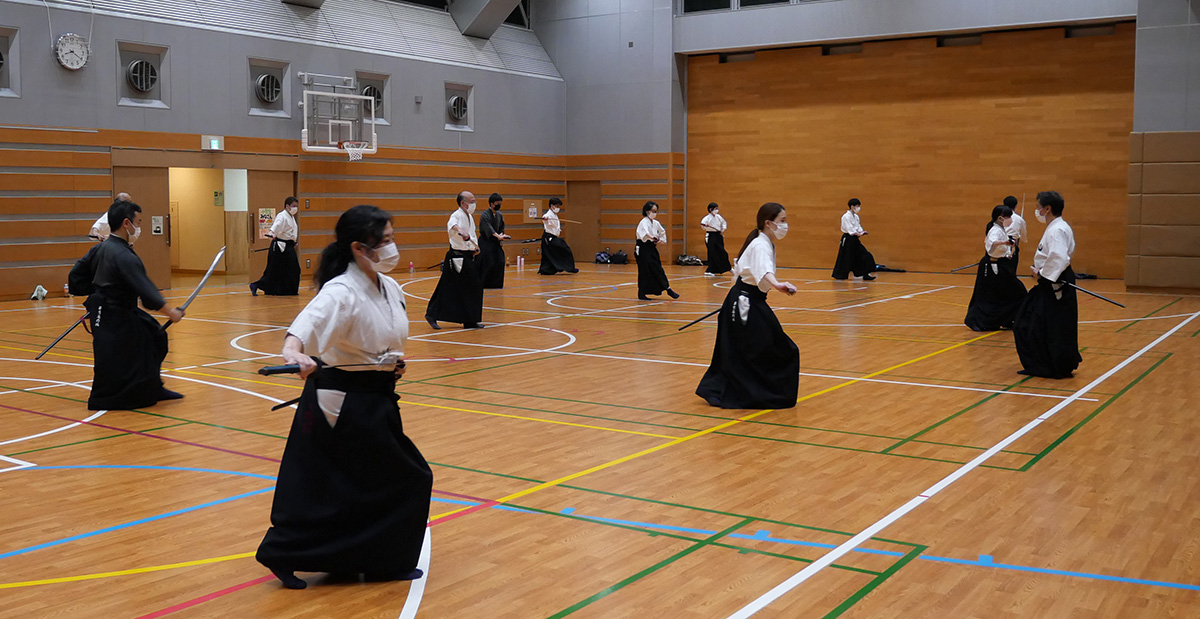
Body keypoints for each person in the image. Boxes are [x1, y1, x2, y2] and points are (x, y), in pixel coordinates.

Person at [256, 205, 432, 590]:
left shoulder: (390, 287)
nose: (391, 248)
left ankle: (375, 559)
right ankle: (284, 553)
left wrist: (390, 364)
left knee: (362, 485)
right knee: (403, 478)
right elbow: (306, 325)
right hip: (343, 402)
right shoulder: (341, 290)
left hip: (377, 397)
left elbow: (381, 339)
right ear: (358, 248)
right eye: (383, 242)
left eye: (391, 239)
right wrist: (293, 351)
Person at [68, 200, 185, 410]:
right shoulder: (122, 255)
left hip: (109, 311)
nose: (138, 227)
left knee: (156, 335)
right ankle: (130, 394)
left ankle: (154, 386)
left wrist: (97, 294)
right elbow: (146, 289)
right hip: (116, 316)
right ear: (126, 223)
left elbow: (76, 277)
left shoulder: (101, 248)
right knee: (141, 344)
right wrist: (170, 312)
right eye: (138, 222)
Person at [696, 202, 799, 409]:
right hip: (744, 304)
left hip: (748, 300)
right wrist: (778, 285)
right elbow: (763, 270)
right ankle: (735, 391)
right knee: (757, 349)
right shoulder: (760, 245)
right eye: (782, 221)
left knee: (749, 348)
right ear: (768, 223)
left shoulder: (764, 242)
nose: (785, 225)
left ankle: (720, 388)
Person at [1013, 191, 1082, 379]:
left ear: (1047, 208)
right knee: (1049, 323)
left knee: (1028, 322)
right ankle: (1050, 363)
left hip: (1054, 281)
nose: (1037, 210)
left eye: (1038, 207)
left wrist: (1042, 274)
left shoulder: (1057, 230)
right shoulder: (1059, 226)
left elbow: (1059, 257)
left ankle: (1050, 364)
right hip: (1054, 279)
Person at [425, 191, 484, 330]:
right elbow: (453, 225)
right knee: (453, 287)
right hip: (457, 258)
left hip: (467, 256)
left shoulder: (469, 216)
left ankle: (470, 320)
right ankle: (432, 314)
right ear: (463, 203)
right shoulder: (456, 215)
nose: (474, 204)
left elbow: (472, 235)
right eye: (472, 201)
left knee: (469, 287)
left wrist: (474, 248)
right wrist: (461, 232)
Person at [964, 205, 1027, 331]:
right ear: (1000, 218)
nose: (1010, 219)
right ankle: (980, 321)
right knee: (987, 295)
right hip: (992, 266)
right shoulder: (995, 230)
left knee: (1010, 293)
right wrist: (1005, 243)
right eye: (1008, 217)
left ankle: (1008, 318)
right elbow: (992, 243)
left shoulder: (1001, 229)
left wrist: (1009, 245)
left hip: (1001, 265)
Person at [251, 197, 302, 296]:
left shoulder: (291, 217)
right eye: (293, 206)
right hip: (279, 246)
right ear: (287, 206)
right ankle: (256, 285)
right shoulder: (281, 216)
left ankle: (288, 290)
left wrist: (293, 241)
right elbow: (277, 225)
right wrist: (272, 232)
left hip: (288, 246)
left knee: (292, 269)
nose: (295, 208)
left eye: (296, 206)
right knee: (273, 270)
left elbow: (289, 232)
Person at [635, 201, 680, 300]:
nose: (655, 213)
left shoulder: (656, 223)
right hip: (642, 248)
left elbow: (662, 232)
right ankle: (641, 293)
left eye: (656, 211)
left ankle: (667, 288)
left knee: (658, 268)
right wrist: (653, 237)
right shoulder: (643, 222)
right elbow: (645, 234)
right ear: (647, 211)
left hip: (651, 248)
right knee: (644, 270)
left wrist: (659, 240)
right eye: (653, 211)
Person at [832, 198, 876, 281]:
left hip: (855, 239)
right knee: (846, 257)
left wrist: (862, 231)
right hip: (848, 239)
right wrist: (858, 233)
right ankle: (840, 275)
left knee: (866, 255)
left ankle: (865, 274)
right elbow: (850, 229)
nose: (858, 208)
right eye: (857, 206)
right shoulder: (845, 217)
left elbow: (858, 226)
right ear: (852, 206)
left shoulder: (856, 216)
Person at [476, 192, 510, 289]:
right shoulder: (485, 215)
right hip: (486, 241)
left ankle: (496, 284)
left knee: (500, 260)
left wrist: (501, 236)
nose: (499, 205)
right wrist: (497, 236)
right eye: (497, 203)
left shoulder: (499, 215)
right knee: (489, 262)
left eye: (500, 203)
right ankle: (484, 283)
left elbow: (501, 227)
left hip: (496, 242)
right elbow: (488, 228)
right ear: (491, 203)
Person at [538, 197, 579, 275]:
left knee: (550, 254)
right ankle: (570, 268)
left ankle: (546, 270)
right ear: (551, 205)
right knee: (564, 248)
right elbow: (545, 217)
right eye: (556, 206)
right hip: (549, 238)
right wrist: (545, 218)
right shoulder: (548, 214)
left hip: (553, 237)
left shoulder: (554, 215)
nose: (557, 208)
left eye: (558, 206)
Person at [700, 202, 731, 276]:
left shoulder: (718, 217)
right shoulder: (707, 218)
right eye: (715, 209)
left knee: (722, 252)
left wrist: (722, 229)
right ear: (711, 209)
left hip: (718, 235)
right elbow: (703, 225)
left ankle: (724, 268)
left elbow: (724, 223)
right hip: (711, 236)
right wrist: (706, 226)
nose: (717, 210)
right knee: (712, 253)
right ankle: (709, 270)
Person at [1003, 195, 1028, 274]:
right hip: (1011, 247)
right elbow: (1024, 237)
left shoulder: (999, 217)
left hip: (1000, 246)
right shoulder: (1019, 219)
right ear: (1015, 206)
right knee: (1011, 272)